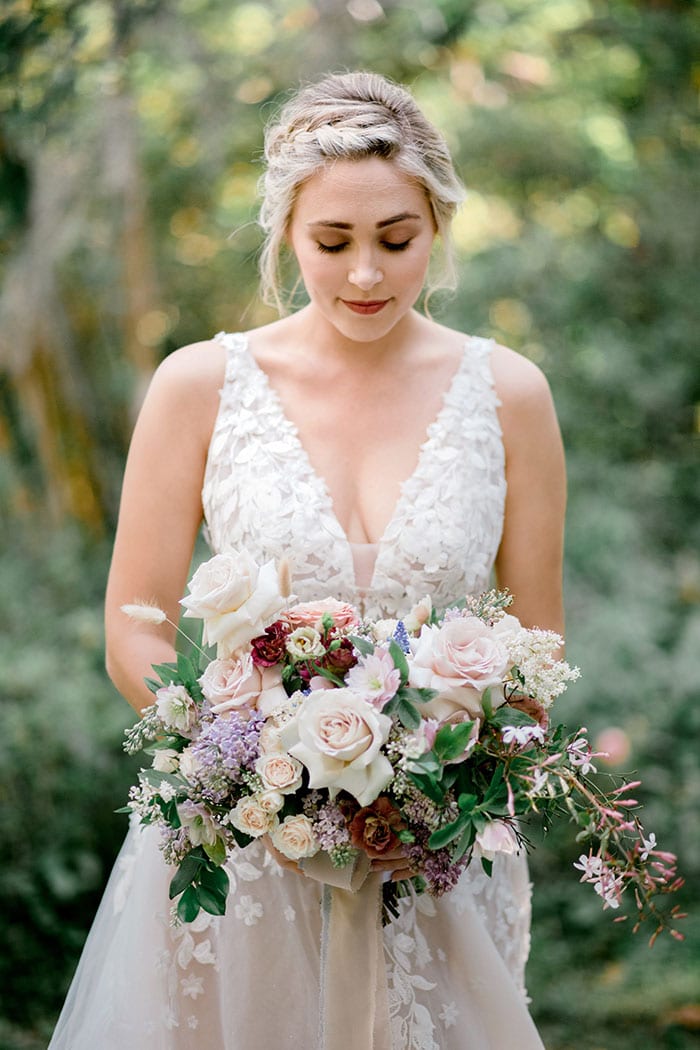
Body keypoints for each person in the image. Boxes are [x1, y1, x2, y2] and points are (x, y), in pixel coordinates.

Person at [48, 71, 565, 1049]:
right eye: (333, 243)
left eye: (394, 240)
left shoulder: (509, 393)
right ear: (287, 230)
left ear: (437, 226)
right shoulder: (200, 384)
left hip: (437, 838)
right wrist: (255, 762)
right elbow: (134, 619)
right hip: (243, 841)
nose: (365, 273)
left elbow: (536, 637)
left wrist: (433, 756)